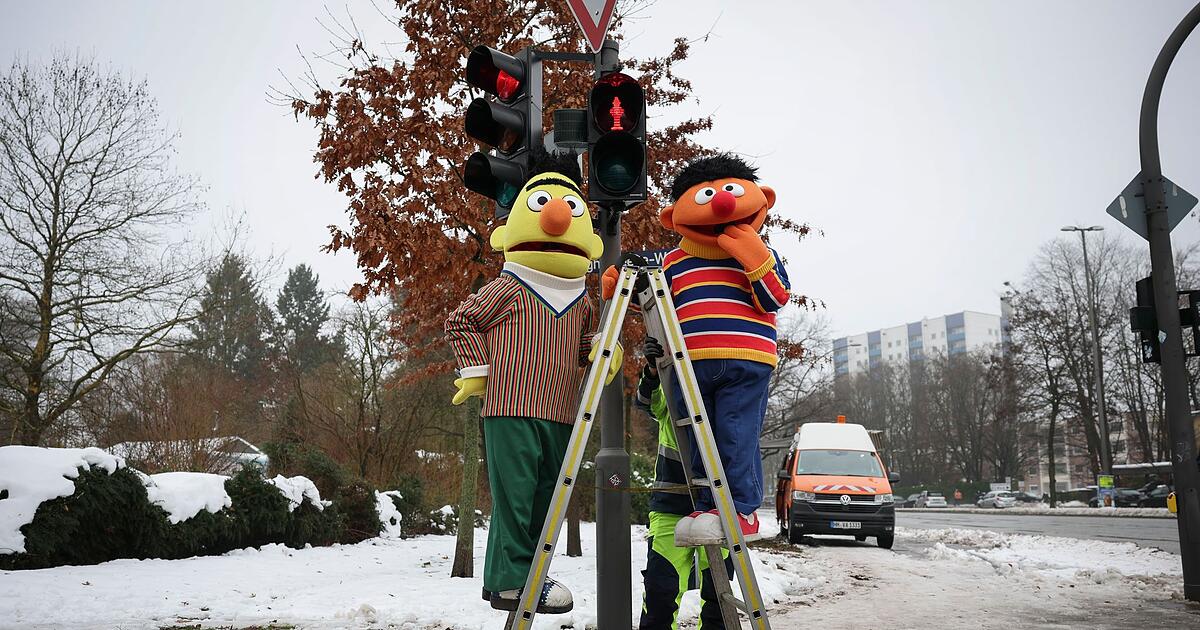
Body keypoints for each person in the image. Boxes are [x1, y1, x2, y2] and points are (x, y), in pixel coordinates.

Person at [445, 149, 620, 615]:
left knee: (549, 498)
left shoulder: (581, 300)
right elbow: (462, 321)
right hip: (511, 407)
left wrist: (605, 351)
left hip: (562, 412)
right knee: (516, 497)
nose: (560, 218)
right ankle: (508, 581)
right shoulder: (510, 287)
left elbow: (585, 344)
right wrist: (478, 372)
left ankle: (532, 576)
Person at [605, 153, 790, 545]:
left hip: (747, 361)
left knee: (735, 435)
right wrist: (620, 285)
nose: (722, 202)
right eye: (708, 195)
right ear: (674, 217)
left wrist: (752, 253)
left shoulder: (764, 255)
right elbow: (654, 296)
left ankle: (742, 509)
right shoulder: (673, 261)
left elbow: (775, 297)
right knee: (696, 439)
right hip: (689, 364)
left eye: (731, 192)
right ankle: (708, 505)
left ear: (763, 199)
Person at [635, 336, 733, 630]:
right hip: (671, 504)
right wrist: (652, 373)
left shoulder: (727, 395)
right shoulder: (676, 388)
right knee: (660, 592)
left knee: (718, 597)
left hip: (717, 506)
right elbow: (648, 403)